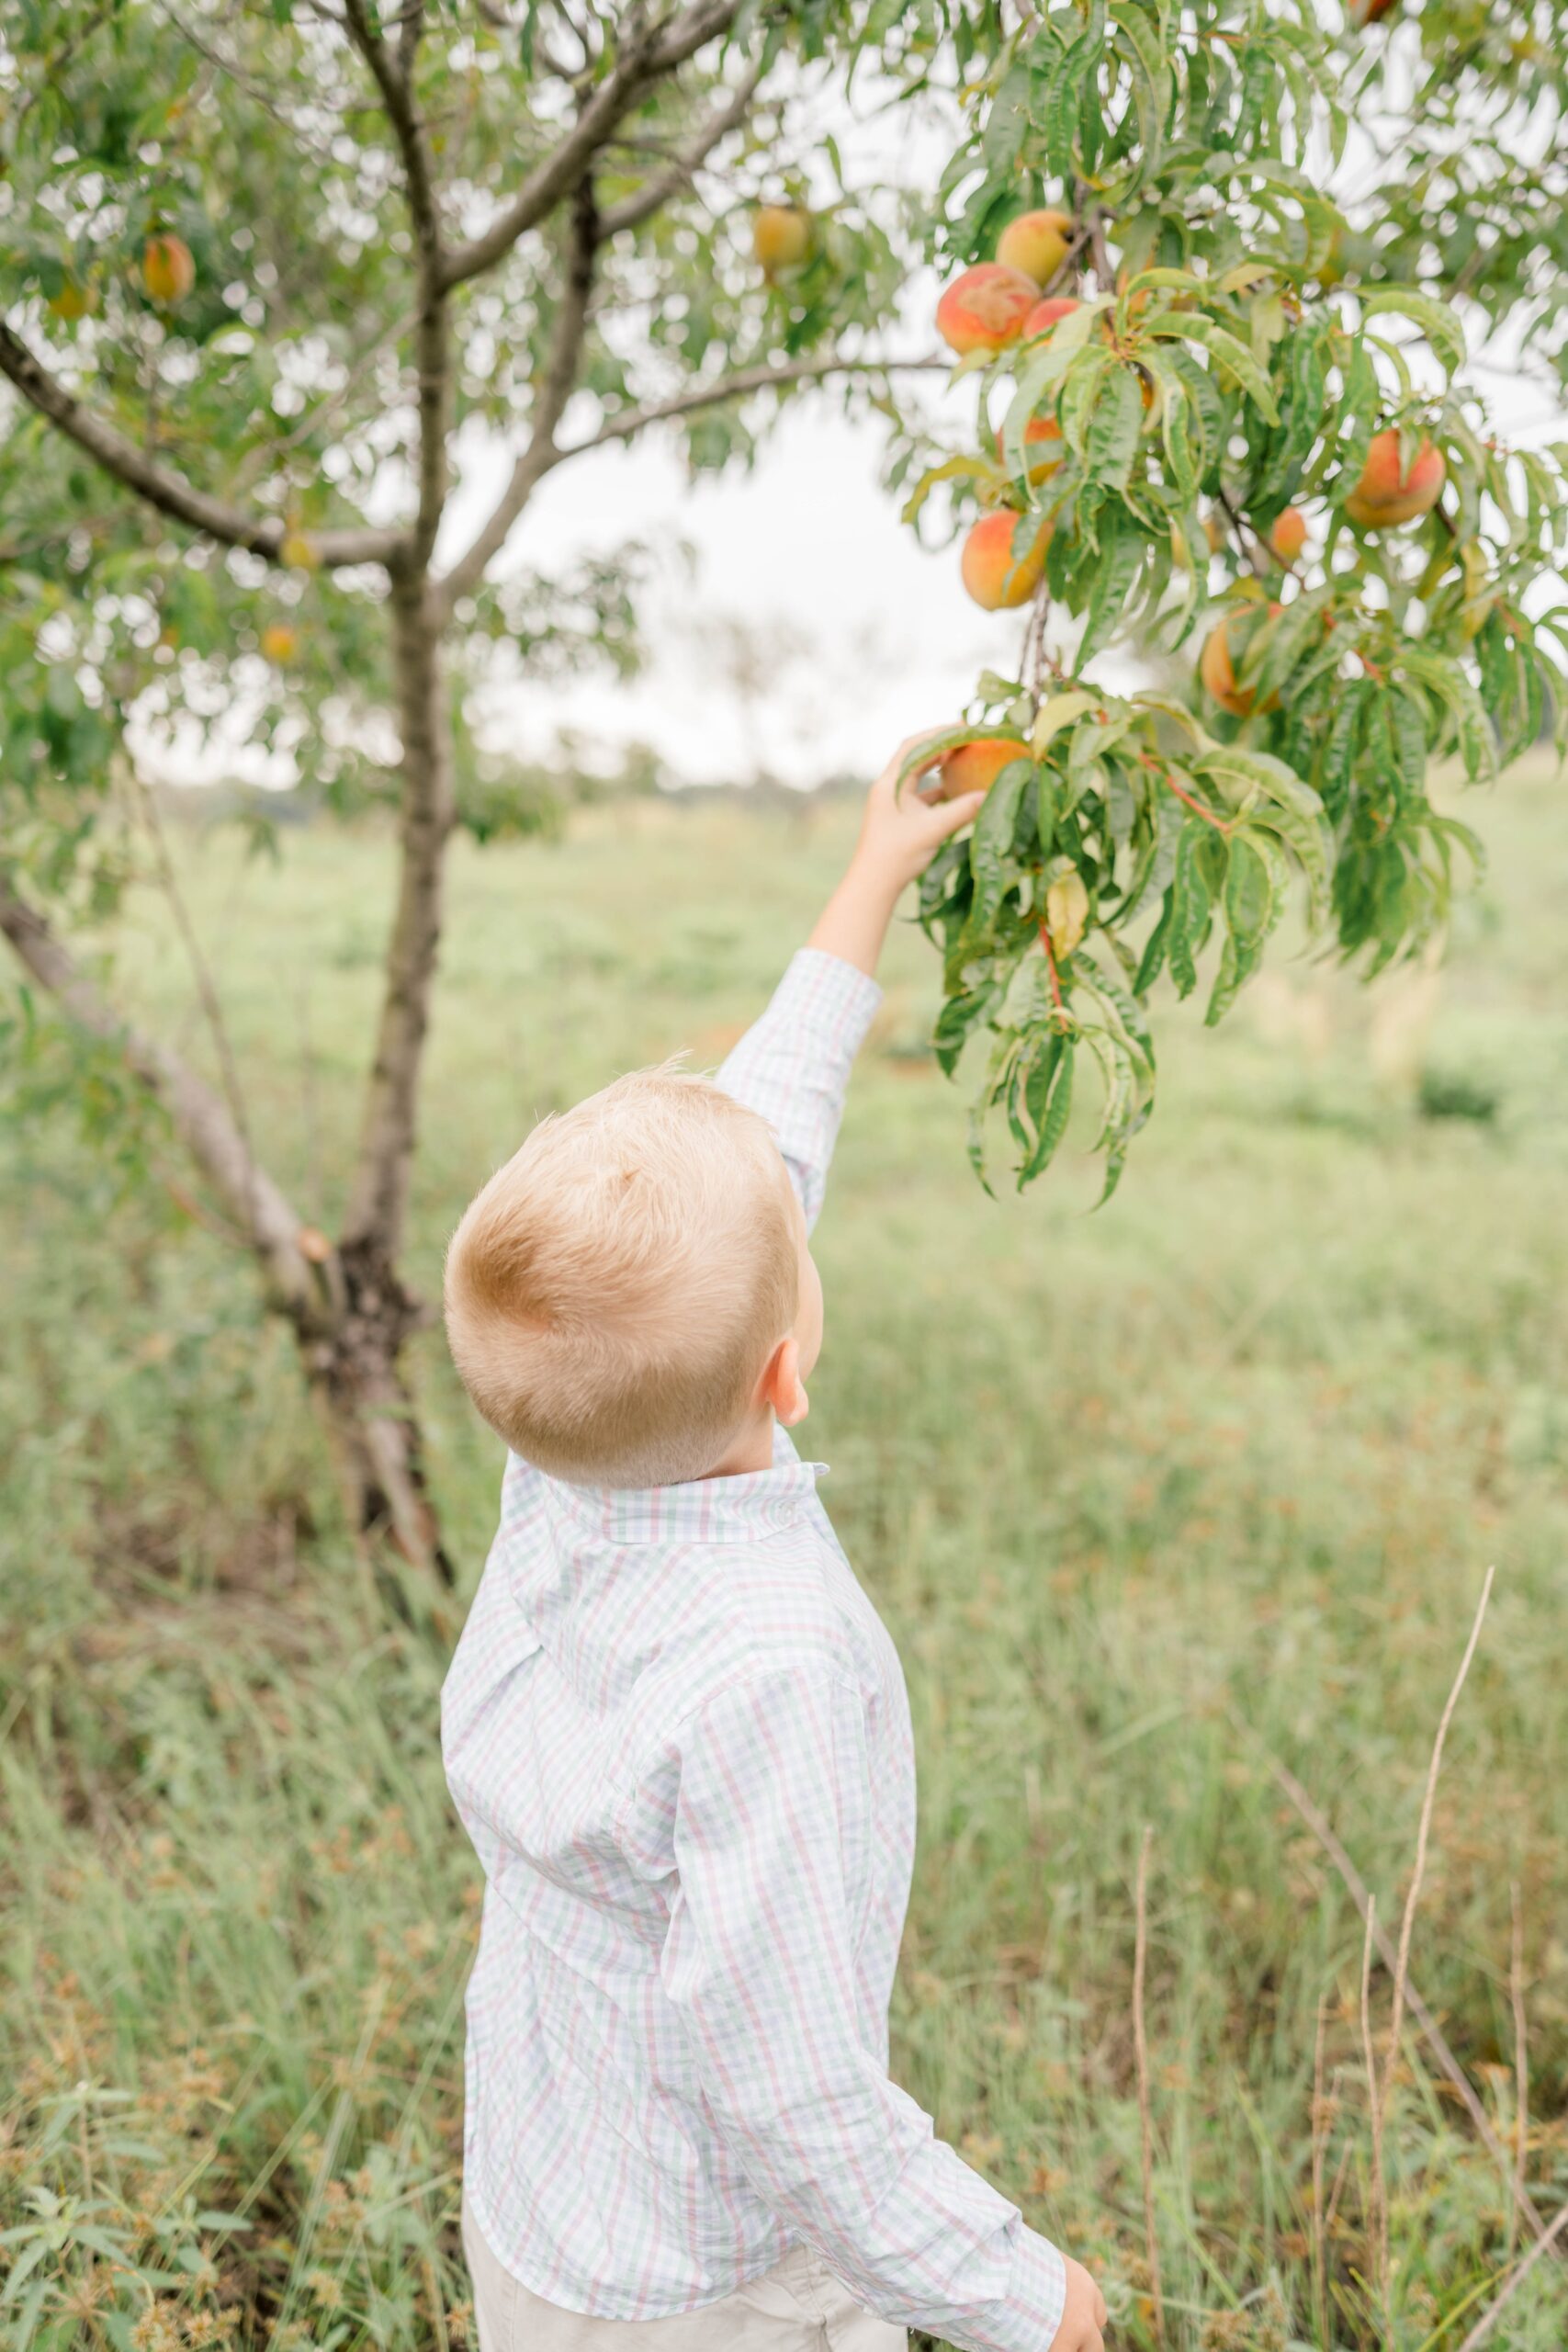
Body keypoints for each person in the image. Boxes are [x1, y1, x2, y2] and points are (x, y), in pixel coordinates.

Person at [440, 739, 1108, 2352]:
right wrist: (1028, 2298)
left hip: (542, 2214)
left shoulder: (567, 1456)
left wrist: (874, 874)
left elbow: (759, 1145)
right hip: (712, 2291)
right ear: (786, 1367)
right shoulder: (774, 1666)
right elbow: (791, 2084)